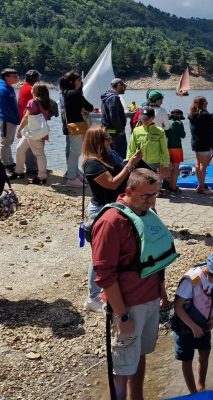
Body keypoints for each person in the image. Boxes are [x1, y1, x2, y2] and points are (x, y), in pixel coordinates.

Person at [91, 169, 177, 400]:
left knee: (140, 355)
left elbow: (153, 255)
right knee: (121, 368)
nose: (151, 201)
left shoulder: (146, 212)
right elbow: (105, 275)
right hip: (128, 305)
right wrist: (123, 316)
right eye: (146, 196)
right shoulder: (110, 222)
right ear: (128, 191)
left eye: (155, 195)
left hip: (150, 299)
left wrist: (161, 287)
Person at [82, 126, 143, 311]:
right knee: (100, 256)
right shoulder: (91, 163)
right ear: (98, 141)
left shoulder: (107, 156)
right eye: (107, 138)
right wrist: (130, 164)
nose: (110, 140)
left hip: (115, 208)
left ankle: (107, 290)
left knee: (114, 252)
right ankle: (92, 298)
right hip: (100, 211)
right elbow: (112, 183)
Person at [172, 252, 213, 394]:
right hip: (185, 326)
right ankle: (193, 392)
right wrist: (192, 326)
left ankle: (201, 385)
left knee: (205, 353)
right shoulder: (191, 280)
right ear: (208, 272)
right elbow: (177, 306)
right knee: (187, 359)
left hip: (205, 323)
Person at [11, 83, 53, 185]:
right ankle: (19, 171)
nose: (31, 90)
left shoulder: (32, 102)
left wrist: (19, 129)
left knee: (38, 154)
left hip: (31, 132)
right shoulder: (46, 102)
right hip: (38, 131)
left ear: (35, 92)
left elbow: (26, 117)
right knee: (20, 149)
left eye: (32, 89)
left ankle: (41, 176)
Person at [61, 71, 94, 185]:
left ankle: (74, 175)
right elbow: (89, 107)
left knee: (74, 152)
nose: (81, 81)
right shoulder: (75, 94)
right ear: (72, 81)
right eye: (79, 79)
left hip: (70, 125)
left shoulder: (65, 93)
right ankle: (71, 178)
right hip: (77, 126)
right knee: (75, 153)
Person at [188, 96, 213, 194]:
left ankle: (200, 184)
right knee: (203, 166)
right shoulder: (205, 115)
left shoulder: (192, 114)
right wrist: (206, 110)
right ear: (204, 104)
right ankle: (201, 187)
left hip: (196, 143)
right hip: (205, 143)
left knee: (198, 164)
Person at [127, 106, 170, 175]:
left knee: (154, 183)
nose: (144, 121)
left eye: (147, 119)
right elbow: (131, 148)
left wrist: (166, 164)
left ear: (153, 118)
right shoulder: (136, 131)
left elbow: (164, 149)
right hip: (139, 163)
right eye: (143, 119)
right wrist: (129, 161)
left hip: (155, 164)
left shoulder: (160, 131)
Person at [17, 69, 41, 175]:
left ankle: (31, 166)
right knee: (31, 146)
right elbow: (35, 107)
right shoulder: (32, 90)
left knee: (27, 146)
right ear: (35, 79)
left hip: (24, 119)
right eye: (38, 78)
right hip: (30, 121)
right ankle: (31, 168)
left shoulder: (23, 87)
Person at [101, 78, 129, 158]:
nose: (125, 88)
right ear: (119, 85)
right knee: (119, 154)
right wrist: (120, 130)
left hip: (108, 130)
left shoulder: (106, 96)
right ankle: (119, 170)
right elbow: (114, 116)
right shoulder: (114, 98)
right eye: (124, 86)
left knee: (110, 153)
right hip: (115, 132)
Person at [0, 68, 20, 174]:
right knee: (5, 142)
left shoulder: (9, 87)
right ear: (6, 77)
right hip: (7, 120)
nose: (17, 77)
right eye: (15, 76)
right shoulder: (2, 89)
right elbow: (3, 108)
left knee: (9, 142)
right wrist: (14, 118)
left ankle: (9, 162)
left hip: (12, 120)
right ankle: (4, 166)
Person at [166, 109, 187, 194]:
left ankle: (169, 185)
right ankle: (173, 188)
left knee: (169, 168)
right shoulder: (178, 123)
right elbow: (183, 135)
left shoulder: (167, 121)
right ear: (179, 116)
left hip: (166, 148)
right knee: (175, 169)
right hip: (176, 148)